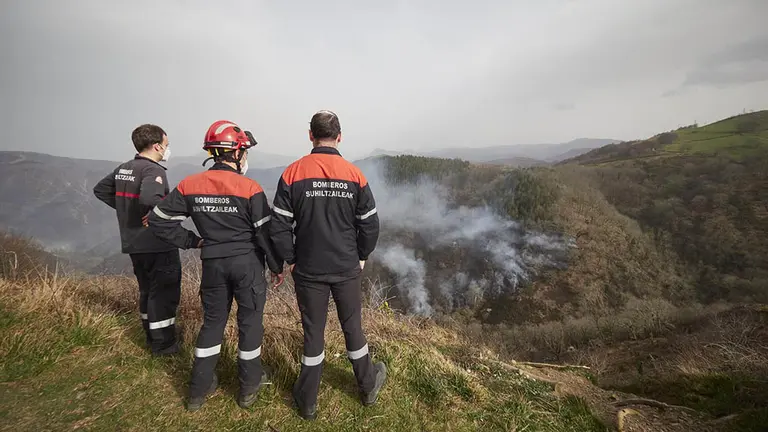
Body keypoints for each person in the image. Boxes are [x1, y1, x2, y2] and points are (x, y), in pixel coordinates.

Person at [148, 120, 284, 412]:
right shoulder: (250, 187)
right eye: (244, 151)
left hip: (213, 265)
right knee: (250, 324)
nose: (246, 156)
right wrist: (276, 266)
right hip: (246, 264)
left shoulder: (190, 185)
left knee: (212, 323)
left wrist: (194, 241)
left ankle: (198, 389)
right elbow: (264, 232)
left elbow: (158, 220)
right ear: (235, 153)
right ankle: (248, 388)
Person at [270, 110, 387, 420]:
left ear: (310, 135)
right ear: (340, 136)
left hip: (308, 270)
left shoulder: (292, 173)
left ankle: (307, 401)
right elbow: (371, 226)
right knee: (353, 328)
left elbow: (279, 227)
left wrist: (291, 260)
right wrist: (361, 255)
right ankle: (367, 385)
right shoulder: (354, 175)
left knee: (313, 333)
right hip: (347, 267)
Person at [93, 124, 201, 356]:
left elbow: (101, 190)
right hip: (156, 243)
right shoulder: (154, 171)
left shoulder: (124, 168)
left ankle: (150, 334)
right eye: (166, 145)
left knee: (147, 290)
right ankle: (164, 344)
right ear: (156, 146)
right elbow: (150, 197)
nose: (167, 149)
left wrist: (127, 211)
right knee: (164, 293)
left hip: (133, 242)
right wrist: (152, 215)